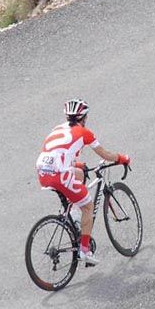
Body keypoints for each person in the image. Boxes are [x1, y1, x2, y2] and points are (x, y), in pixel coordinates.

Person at [35, 99, 130, 265]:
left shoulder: (57, 129)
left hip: (43, 171)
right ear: (83, 117)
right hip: (59, 174)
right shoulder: (85, 132)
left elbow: (58, 153)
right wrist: (123, 159)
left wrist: (76, 165)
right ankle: (84, 251)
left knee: (78, 174)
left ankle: (73, 216)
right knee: (88, 206)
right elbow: (105, 154)